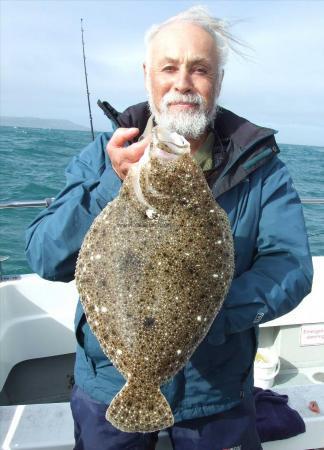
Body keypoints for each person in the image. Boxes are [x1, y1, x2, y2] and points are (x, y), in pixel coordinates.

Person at [25, 6, 313, 450]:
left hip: (216, 394)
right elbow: (46, 257)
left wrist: (207, 317)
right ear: (148, 76)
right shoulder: (105, 155)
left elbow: (291, 268)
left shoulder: (261, 167)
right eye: (169, 67)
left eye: (199, 69)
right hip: (108, 385)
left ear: (218, 80)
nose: (182, 82)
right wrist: (111, 182)